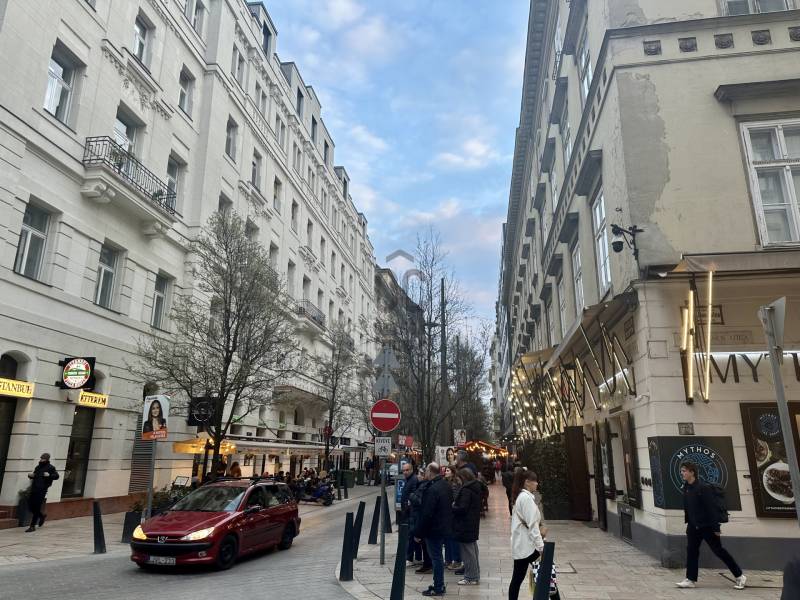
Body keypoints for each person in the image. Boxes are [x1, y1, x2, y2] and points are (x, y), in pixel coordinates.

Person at [676, 461, 746, 590]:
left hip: (707, 526)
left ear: (692, 472)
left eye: (684, 471)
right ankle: (690, 579)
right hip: (693, 527)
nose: (682, 473)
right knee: (691, 552)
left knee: (719, 551)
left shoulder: (703, 488)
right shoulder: (686, 487)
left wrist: (716, 528)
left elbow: (711, 509)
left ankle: (739, 575)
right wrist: (690, 524)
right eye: (681, 471)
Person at [413, 462, 453, 597]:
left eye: (426, 471)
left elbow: (427, 513)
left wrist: (418, 533)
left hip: (434, 529)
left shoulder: (432, 489)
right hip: (443, 526)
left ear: (430, 472)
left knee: (436, 558)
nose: (425, 473)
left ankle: (438, 586)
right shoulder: (445, 485)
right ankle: (438, 584)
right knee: (438, 557)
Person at [508, 470, 545, 600]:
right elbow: (533, 526)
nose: (537, 483)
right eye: (535, 481)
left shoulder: (521, 497)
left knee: (517, 579)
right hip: (529, 546)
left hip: (522, 545)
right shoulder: (526, 498)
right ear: (527, 482)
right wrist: (541, 547)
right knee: (546, 575)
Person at [453, 468, 482, 585]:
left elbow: (462, 508)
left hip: (465, 524)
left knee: (468, 553)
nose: (458, 481)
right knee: (473, 551)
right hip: (472, 523)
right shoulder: (476, 487)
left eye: (459, 479)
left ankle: (471, 577)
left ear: (463, 478)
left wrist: (453, 507)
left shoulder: (466, 490)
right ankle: (475, 574)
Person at [26, 453, 59, 532]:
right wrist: (31, 476)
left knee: (37, 507)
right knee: (30, 506)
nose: (41, 460)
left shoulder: (51, 467)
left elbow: (56, 476)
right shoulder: (38, 467)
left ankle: (32, 526)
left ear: (47, 459)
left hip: (42, 490)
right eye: (41, 458)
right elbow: (35, 475)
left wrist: (49, 475)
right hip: (34, 488)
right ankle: (42, 516)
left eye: (43, 459)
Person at [400, 462, 423, 566]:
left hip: (411, 513)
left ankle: (409, 558)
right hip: (408, 512)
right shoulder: (409, 479)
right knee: (413, 535)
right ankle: (418, 557)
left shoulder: (413, 480)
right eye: (403, 470)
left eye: (407, 470)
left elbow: (414, 495)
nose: (405, 472)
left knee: (411, 535)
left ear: (412, 470)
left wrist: (408, 507)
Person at [443, 467, 463, 571]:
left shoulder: (455, 483)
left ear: (453, 472)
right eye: (445, 470)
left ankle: (456, 560)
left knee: (452, 538)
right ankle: (448, 560)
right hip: (447, 513)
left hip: (452, 514)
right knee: (447, 538)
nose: (445, 472)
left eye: (448, 471)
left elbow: (455, 499)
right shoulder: (446, 482)